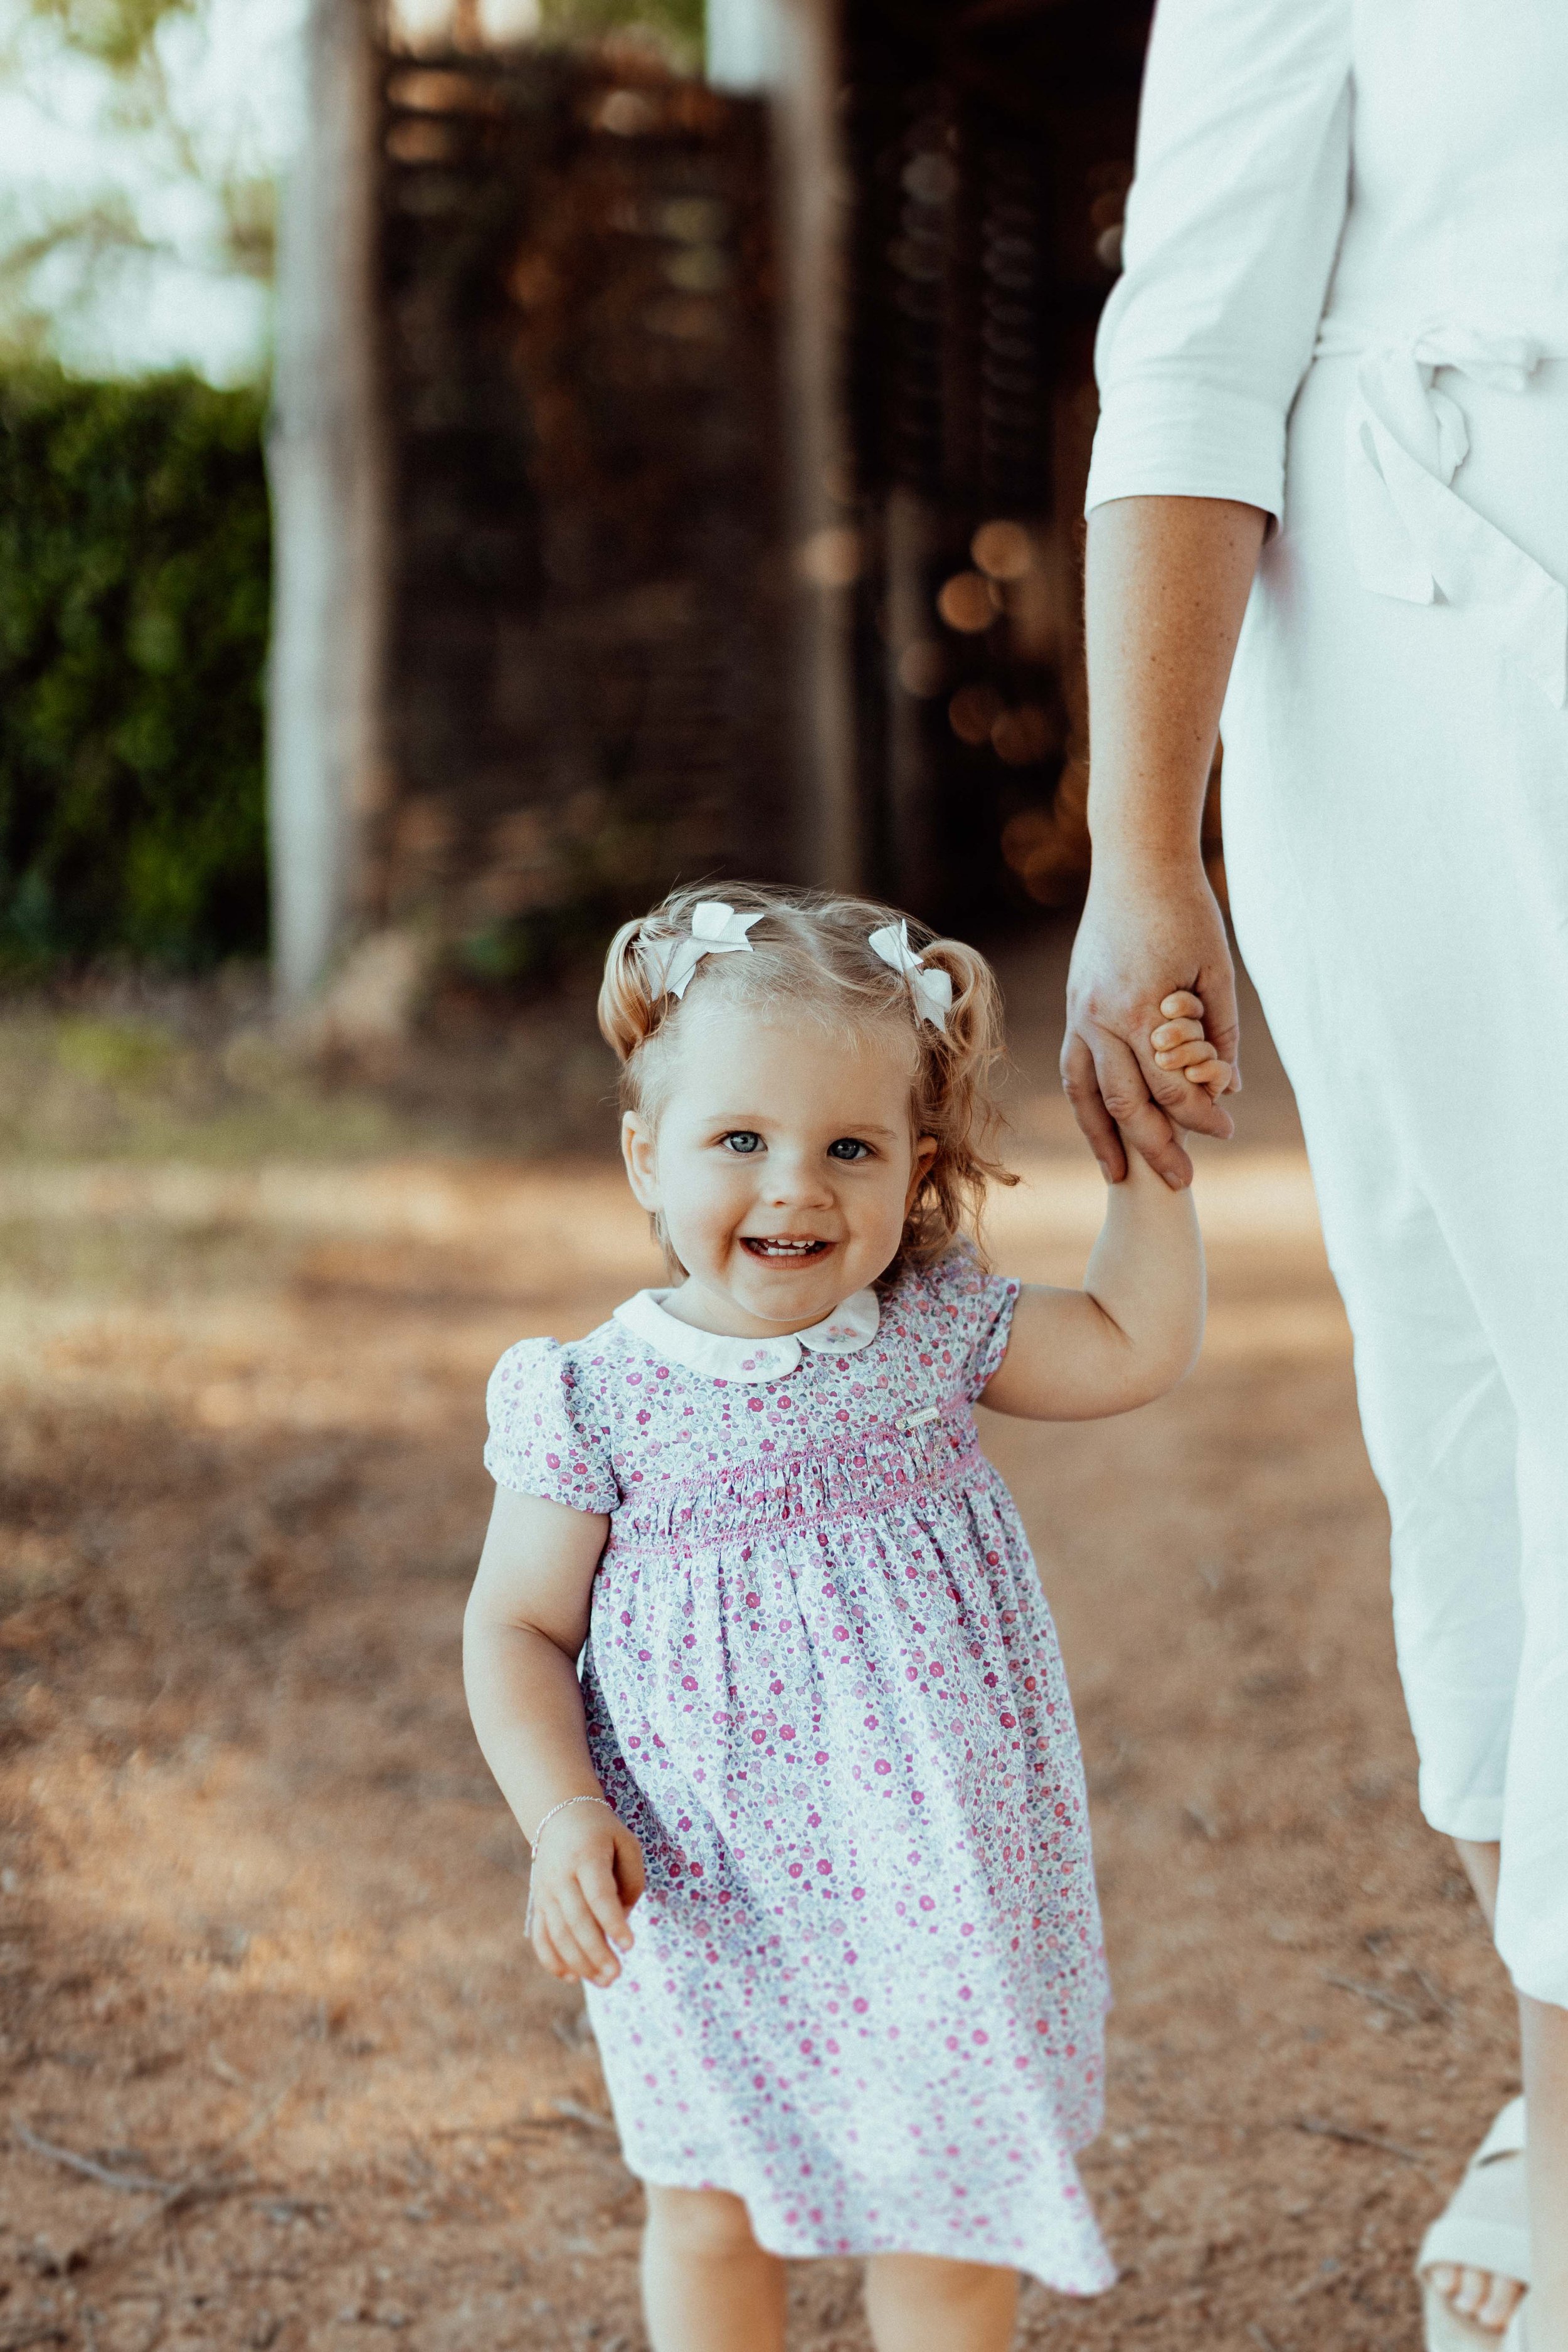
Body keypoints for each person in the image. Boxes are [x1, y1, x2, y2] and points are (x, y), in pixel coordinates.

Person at [1063, 6, 1568, 2350]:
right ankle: (1555, 2074)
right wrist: (1143, 851)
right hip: (1428, 670)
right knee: (1473, 1421)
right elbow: (1195, 334)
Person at [464, 886, 1204, 2352]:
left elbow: (1129, 1347)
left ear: (913, 1170)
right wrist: (557, 1817)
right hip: (704, 1895)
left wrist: (1154, 1162)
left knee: (940, 2207)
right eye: (739, 1141)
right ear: (644, 1155)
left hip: (933, 1884)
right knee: (708, 2206)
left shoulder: (932, 1327)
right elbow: (515, 1632)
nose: (796, 1187)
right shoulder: (592, 1397)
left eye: (848, 1148)